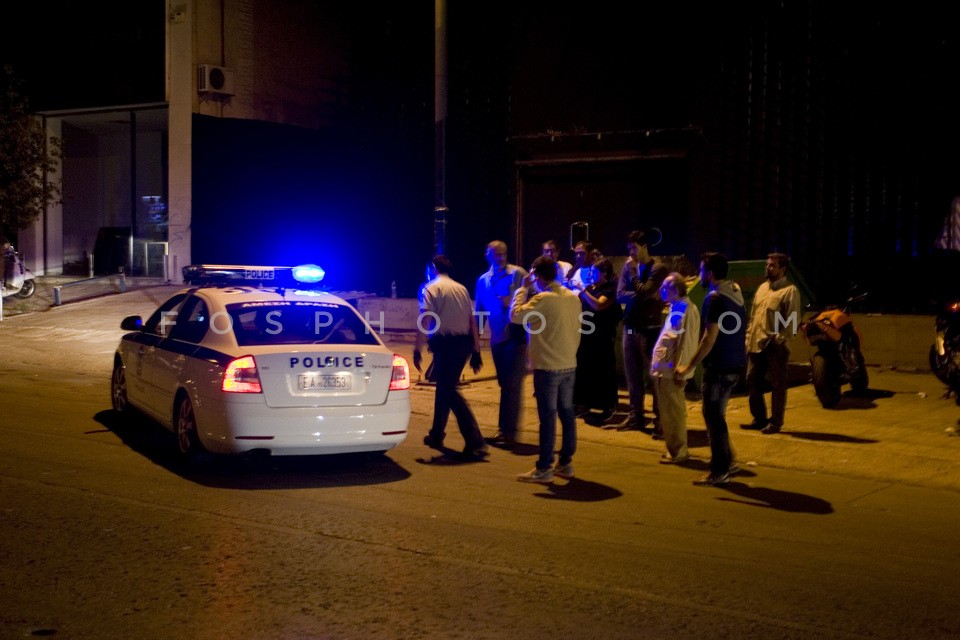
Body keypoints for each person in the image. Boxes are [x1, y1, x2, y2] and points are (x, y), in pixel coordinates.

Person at [676, 252, 747, 486]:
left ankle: (719, 470)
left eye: (702, 269)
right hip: (736, 364)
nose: (699, 274)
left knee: (713, 417)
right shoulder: (734, 291)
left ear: (711, 273)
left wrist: (689, 364)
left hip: (718, 367)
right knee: (718, 416)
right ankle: (729, 460)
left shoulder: (714, 298)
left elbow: (709, 337)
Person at [510, 256, 583, 483]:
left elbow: (515, 316)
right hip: (569, 364)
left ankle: (544, 467)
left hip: (548, 367)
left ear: (538, 277)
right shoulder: (572, 298)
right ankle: (566, 463)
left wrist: (522, 290)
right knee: (567, 414)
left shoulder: (542, 299)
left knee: (548, 418)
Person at [414, 255, 488, 460]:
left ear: (432, 268)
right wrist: (476, 350)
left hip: (445, 345)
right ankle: (437, 434)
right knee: (443, 387)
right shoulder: (461, 288)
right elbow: (472, 321)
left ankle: (476, 440)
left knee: (449, 390)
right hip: (463, 344)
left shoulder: (431, 288)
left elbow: (424, 319)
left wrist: (417, 349)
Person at [475, 240, 529, 445]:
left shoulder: (518, 274)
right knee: (504, 384)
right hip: (497, 339)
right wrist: (476, 343)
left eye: (504, 254)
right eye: (497, 254)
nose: (501, 258)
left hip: (517, 338)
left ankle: (508, 433)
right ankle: (504, 430)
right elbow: (479, 312)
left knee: (512, 386)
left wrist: (513, 303)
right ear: (487, 255)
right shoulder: (483, 281)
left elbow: (535, 301)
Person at [741, 252, 801, 435]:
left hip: (775, 345)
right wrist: (748, 336)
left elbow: (792, 321)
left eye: (772, 265)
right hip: (756, 342)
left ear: (782, 269)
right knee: (752, 380)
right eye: (767, 264)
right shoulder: (762, 288)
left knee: (778, 384)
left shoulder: (790, 291)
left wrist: (779, 338)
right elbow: (753, 315)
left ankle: (775, 422)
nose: (768, 268)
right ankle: (759, 418)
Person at [616, 229, 669, 435]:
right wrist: (644, 294)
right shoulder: (628, 267)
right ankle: (636, 416)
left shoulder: (658, 268)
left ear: (645, 246)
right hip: (630, 327)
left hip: (650, 329)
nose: (631, 253)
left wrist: (636, 276)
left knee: (654, 377)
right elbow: (620, 295)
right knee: (632, 376)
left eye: (634, 248)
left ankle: (660, 420)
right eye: (628, 249)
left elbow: (646, 291)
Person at [650, 272, 701, 464]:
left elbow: (686, 343)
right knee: (668, 412)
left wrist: (683, 370)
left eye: (665, 287)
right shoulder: (676, 308)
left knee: (674, 412)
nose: (661, 290)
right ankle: (674, 449)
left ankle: (679, 451)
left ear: (675, 290)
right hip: (666, 370)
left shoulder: (687, 310)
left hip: (673, 372)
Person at [572, 256, 621, 423]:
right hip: (586, 335)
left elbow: (599, 305)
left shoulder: (610, 289)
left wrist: (582, 290)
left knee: (603, 370)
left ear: (604, 273)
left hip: (602, 336)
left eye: (594, 271)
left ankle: (608, 406)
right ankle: (585, 404)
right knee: (586, 369)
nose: (591, 274)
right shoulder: (592, 287)